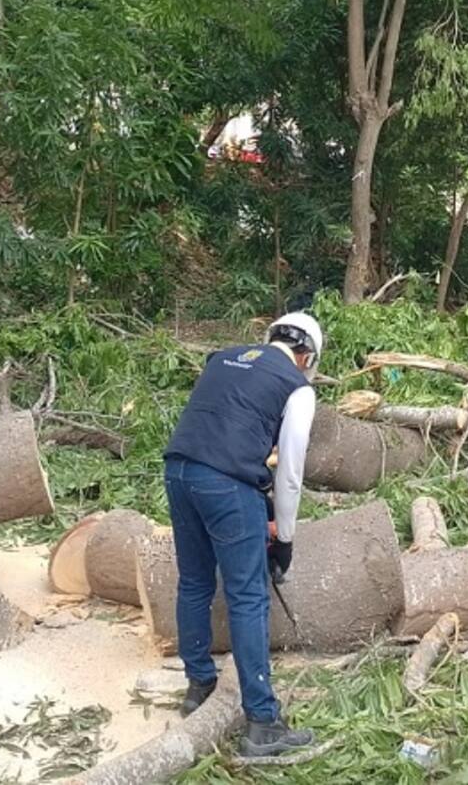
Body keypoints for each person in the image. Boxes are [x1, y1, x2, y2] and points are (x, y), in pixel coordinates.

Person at [162, 311, 321, 757]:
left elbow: (224, 429)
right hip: (226, 484)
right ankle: (263, 721)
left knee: (194, 580)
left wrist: (262, 509)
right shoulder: (297, 386)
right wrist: (284, 539)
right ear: (306, 355)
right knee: (248, 595)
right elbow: (289, 473)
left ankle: (198, 686)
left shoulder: (223, 359)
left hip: (178, 472)